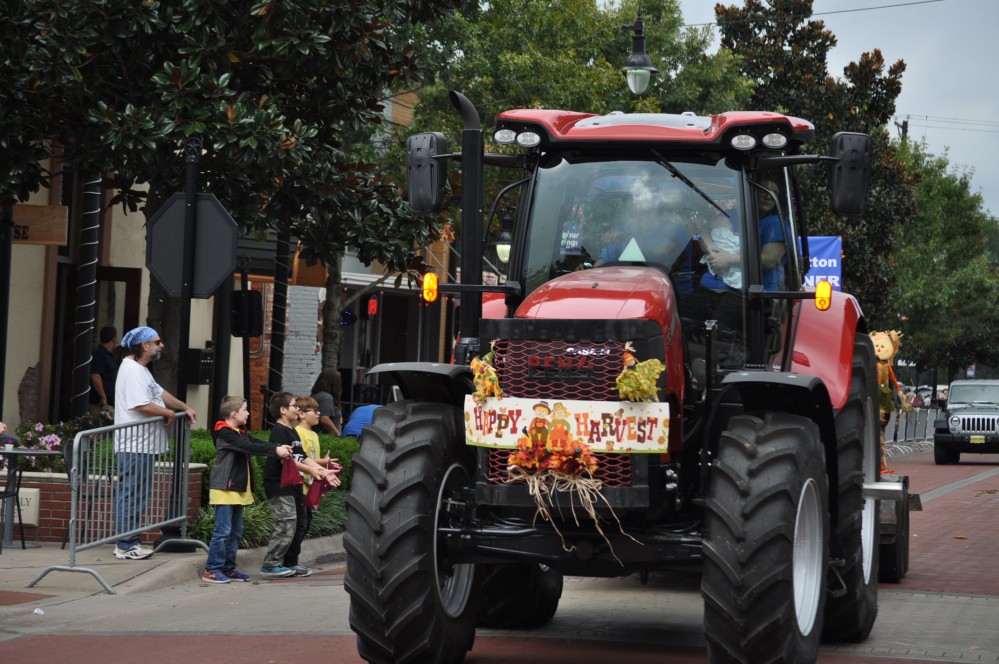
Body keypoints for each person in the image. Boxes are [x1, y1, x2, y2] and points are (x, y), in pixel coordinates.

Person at [113, 326, 197, 560]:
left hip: (143, 445)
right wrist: (168, 414)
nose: (161, 345)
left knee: (138, 494)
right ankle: (126, 544)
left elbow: (160, 394)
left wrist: (183, 407)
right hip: (134, 444)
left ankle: (129, 541)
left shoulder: (142, 370)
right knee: (131, 494)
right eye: (157, 341)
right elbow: (140, 405)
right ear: (143, 345)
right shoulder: (131, 370)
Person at [202, 396, 293, 584]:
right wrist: (275, 451)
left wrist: (277, 447)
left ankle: (228, 568)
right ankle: (212, 569)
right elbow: (247, 446)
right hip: (225, 487)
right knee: (223, 531)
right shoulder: (224, 432)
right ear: (234, 414)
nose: (248, 413)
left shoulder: (238, 431)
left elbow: (256, 442)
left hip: (237, 487)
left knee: (235, 531)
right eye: (245, 410)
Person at [261, 391, 339, 578]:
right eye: (295, 406)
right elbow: (285, 460)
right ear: (283, 409)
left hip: (293, 485)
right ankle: (271, 564)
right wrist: (311, 471)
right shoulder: (279, 431)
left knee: (298, 524)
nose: (297, 410)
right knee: (285, 524)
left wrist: (321, 471)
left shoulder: (291, 431)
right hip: (279, 485)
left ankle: (289, 563)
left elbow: (302, 457)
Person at [294, 395, 342, 541]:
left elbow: (310, 459)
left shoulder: (314, 434)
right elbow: (299, 458)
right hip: (299, 486)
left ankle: (292, 560)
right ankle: (290, 561)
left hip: (310, 485)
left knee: (306, 524)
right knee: (300, 525)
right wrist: (322, 461)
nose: (318, 414)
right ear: (301, 414)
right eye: (314, 411)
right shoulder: (297, 432)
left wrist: (323, 464)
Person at [89, 325, 119, 412]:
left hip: (109, 402)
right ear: (114, 339)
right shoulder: (99, 354)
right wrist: (103, 396)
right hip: (101, 404)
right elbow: (95, 376)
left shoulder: (109, 355)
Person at [310, 368, 343, 436]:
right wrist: (338, 434)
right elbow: (324, 419)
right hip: (326, 437)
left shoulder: (317, 395)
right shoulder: (326, 398)